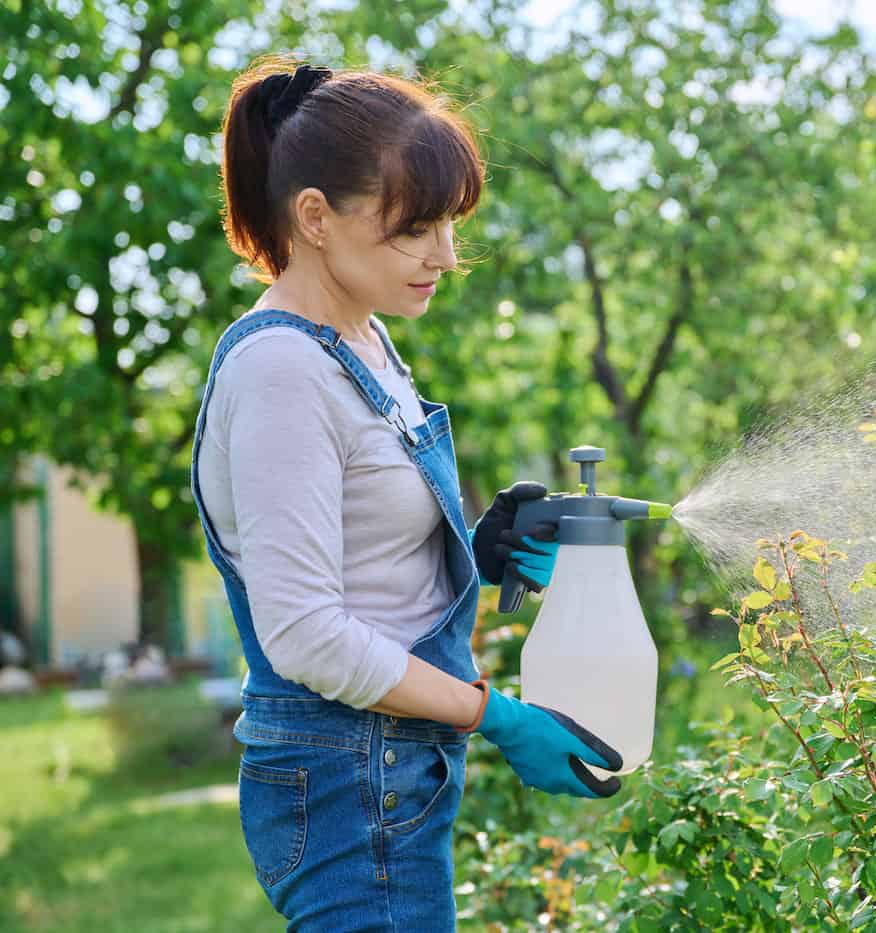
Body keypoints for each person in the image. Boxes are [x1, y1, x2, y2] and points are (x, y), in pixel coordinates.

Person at [189, 58, 623, 931]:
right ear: (315, 217)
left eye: (451, 224)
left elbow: (357, 548)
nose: (447, 256)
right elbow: (307, 632)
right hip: (349, 780)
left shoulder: (364, 336)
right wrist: (495, 715)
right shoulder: (282, 369)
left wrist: (475, 541)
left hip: (386, 770)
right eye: (416, 228)